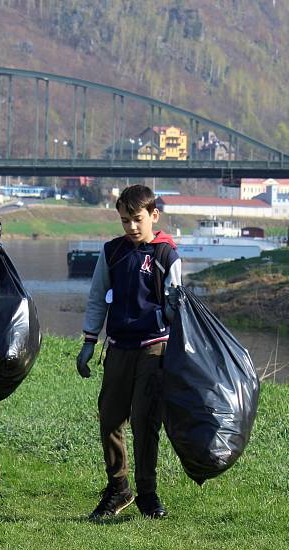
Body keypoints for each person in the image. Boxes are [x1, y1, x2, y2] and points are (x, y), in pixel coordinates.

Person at [76, 184, 182, 521]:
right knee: (109, 419)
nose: (131, 227)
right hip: (118, 348)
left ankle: (148, 493)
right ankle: (118, 486)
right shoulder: (111, 252)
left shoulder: (167, 255)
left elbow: (175, 307)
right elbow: (96, 298)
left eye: (137, 220)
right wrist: (88, 342)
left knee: (144, 421)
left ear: (154, 216)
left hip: (154, 348)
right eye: (124, 221)